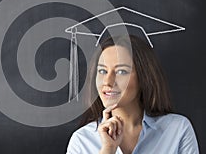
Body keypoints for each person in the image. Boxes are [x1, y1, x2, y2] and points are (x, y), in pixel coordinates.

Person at [66, 35, 199, 154]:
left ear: (144, 78)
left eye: (121, 72)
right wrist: (108, 150)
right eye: (102, 71)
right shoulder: (81, 140)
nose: (107, 81)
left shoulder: (178, 129)